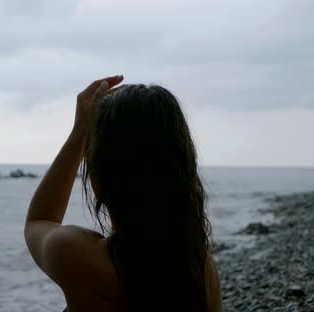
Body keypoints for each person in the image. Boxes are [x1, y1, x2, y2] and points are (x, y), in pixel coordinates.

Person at [24, 75, 222, 311]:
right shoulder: (201, 268)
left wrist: (79, 133)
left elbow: (39, 220)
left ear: (100, 174)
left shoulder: (77, 254)